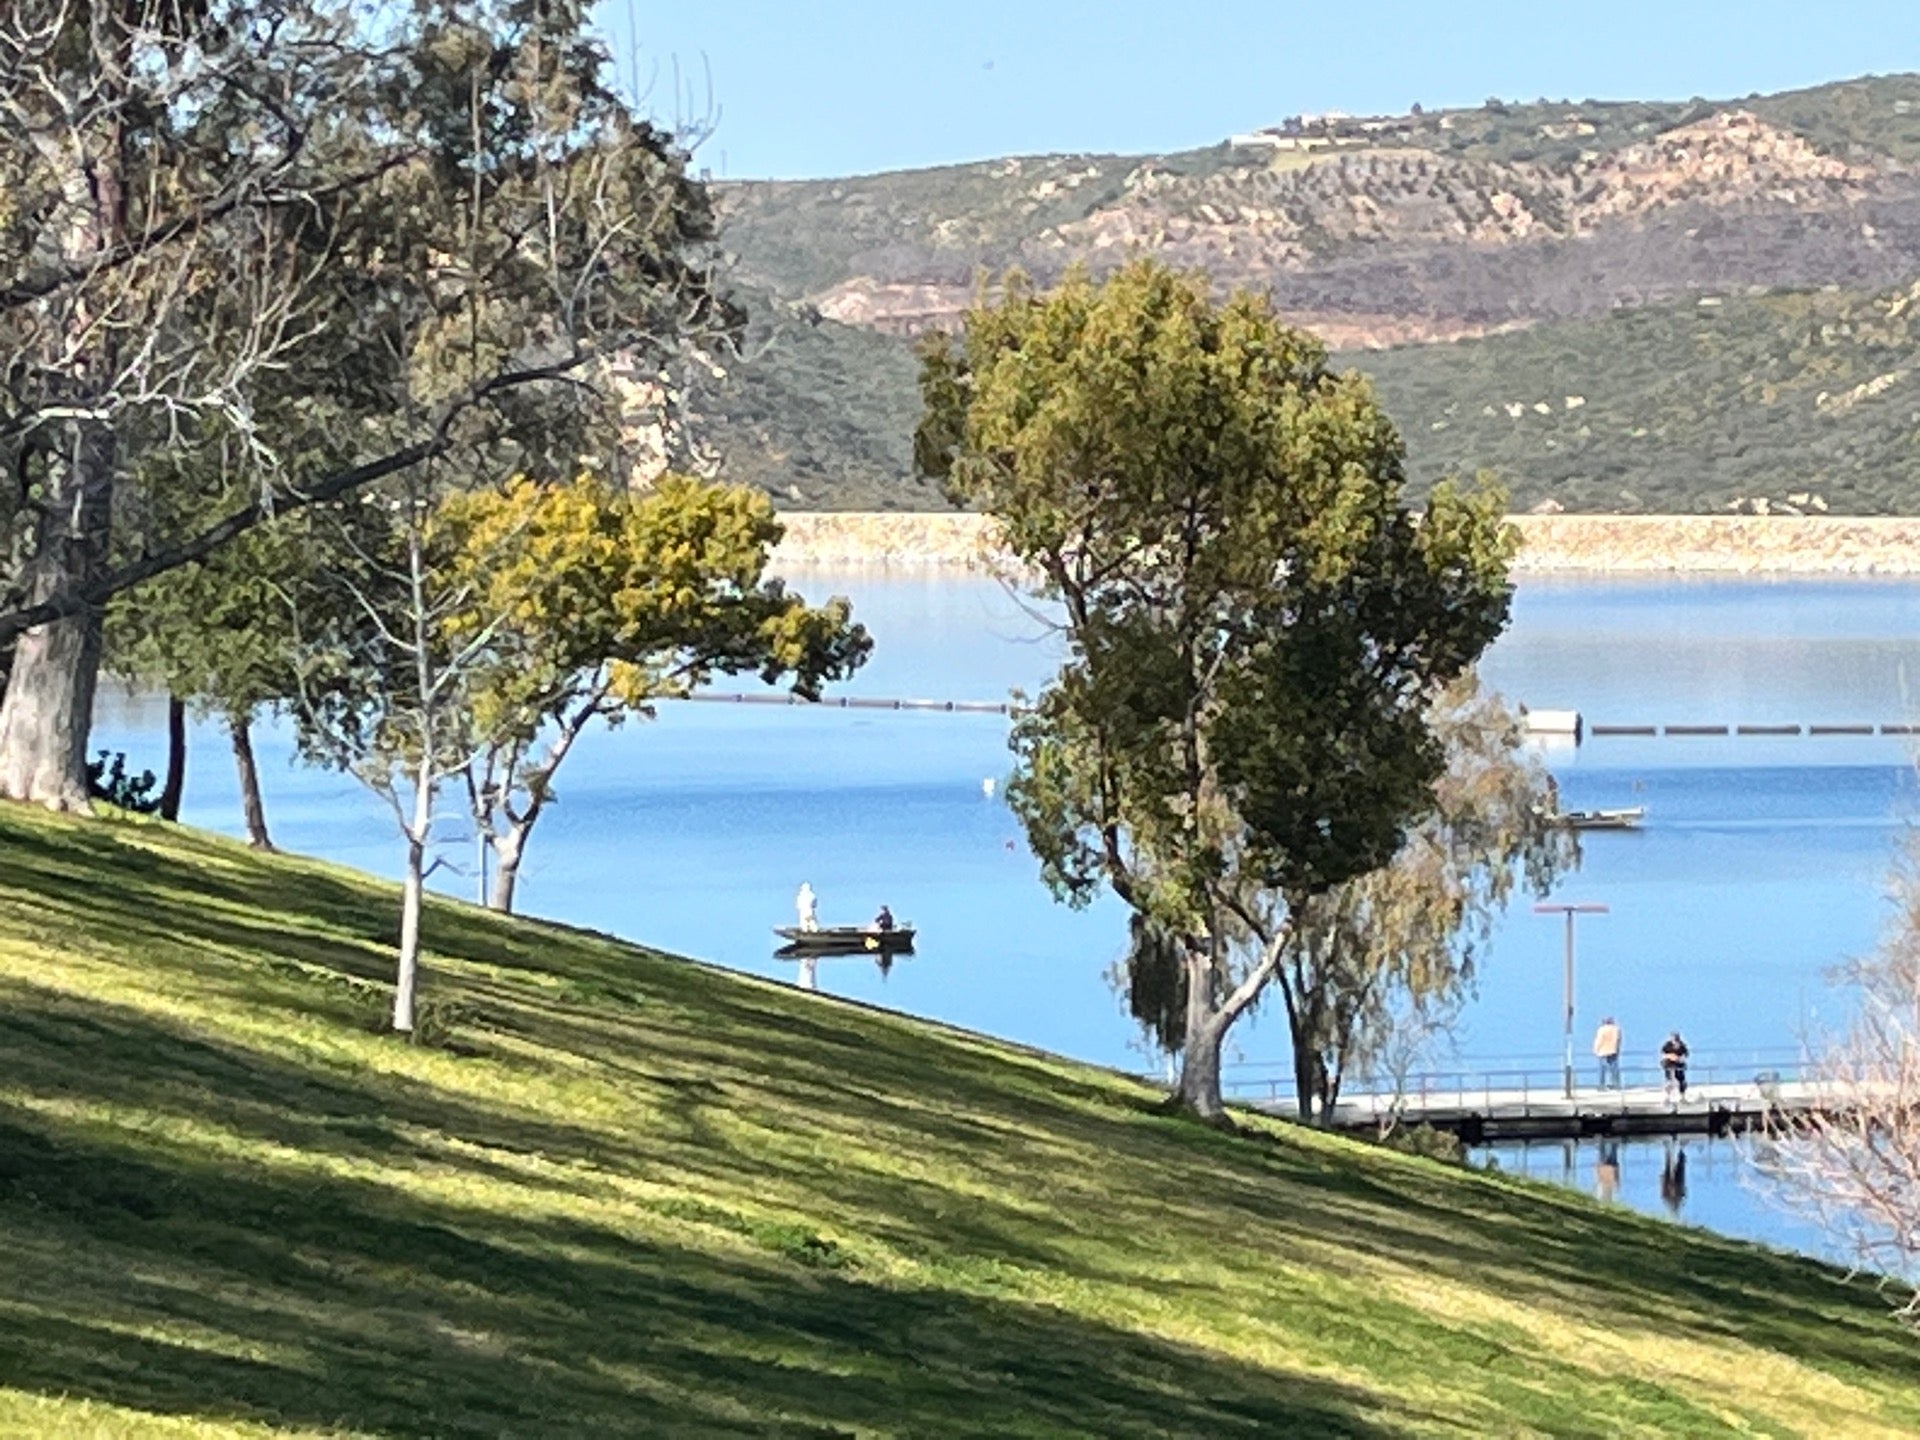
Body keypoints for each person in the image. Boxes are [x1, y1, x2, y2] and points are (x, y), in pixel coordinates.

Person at [1592, 1016, 1622, 1090]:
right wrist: (1617, 1049)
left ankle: (1602, 1085)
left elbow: (1599, 1040)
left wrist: (1595, 1049)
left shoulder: (1601, 1030)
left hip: (1603, 1051)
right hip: (1613, 1050)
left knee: (1602, 1069)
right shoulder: (1616, 1029)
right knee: (1614, 1069)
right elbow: (1618, 1040)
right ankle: (1616, 1084)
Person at [1660, 1030, 1690, 1103]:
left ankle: (1682, 1097)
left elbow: (1686, 1054)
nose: (1675, 1040)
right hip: (1669, 1065)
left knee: (1681, 1081)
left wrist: (1680, 1059)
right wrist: (1671, 1056)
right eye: (1674, 1037)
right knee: (1669, 1081)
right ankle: (1667, 1097)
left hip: (1679, 1065)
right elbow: (1663, 1054)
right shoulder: (1667, 1045)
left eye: (1677, 1038)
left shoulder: (1682, 1045)